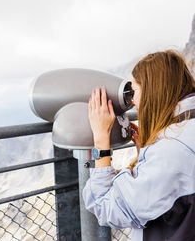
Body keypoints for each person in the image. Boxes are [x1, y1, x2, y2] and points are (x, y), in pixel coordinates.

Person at [82, 50, 195, 241]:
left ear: (153, 91)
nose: (132, 101)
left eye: (133, 92)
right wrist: (146, 154)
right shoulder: (181, 136)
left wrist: (101, 141)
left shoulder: (170, 152)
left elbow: (104, 206)